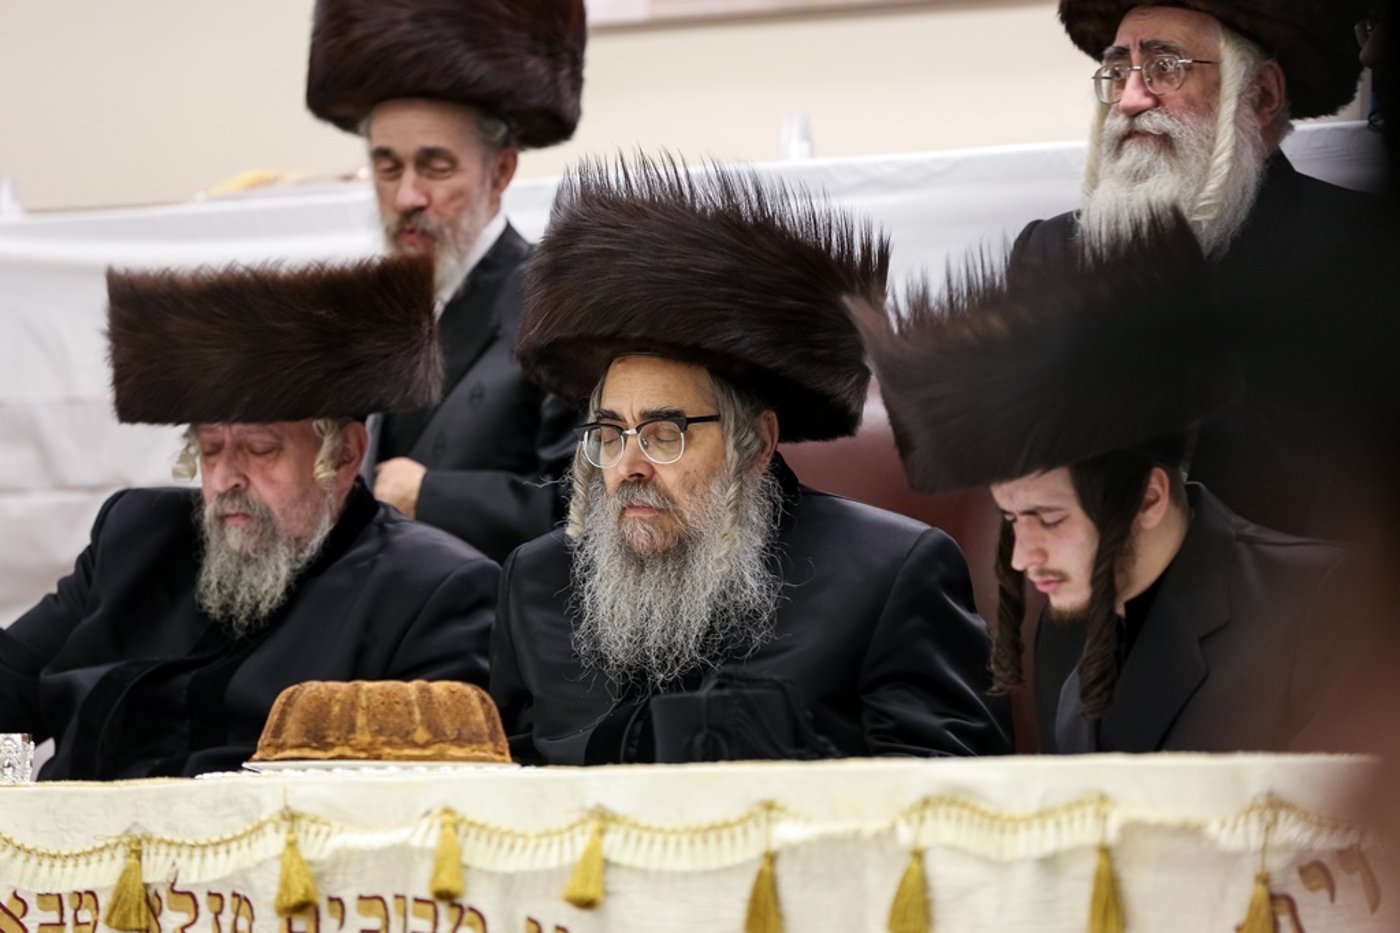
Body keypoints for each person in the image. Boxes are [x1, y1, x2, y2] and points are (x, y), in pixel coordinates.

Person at [490, 155, 1012, 766]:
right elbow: (499, 785)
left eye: (663, 434)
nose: (629, 464)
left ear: (757, 443)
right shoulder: (537, 580)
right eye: (610, 433)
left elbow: (950, 795)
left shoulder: (890, 575)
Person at [858, 214, 1361, 753]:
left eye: (1049, 518)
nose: (1023, 557)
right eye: (1012, 519)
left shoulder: (1328, 605)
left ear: (1148, 498)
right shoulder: (1064, 622)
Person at [0, 257, 499, 780]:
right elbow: (10, 688)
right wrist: (14, 797)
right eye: (210, 449)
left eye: (260, 450)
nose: (225, 479)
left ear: (344, 455)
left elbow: (405, 795)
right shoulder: (135, 535)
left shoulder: (432, 592)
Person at [1013, 0, 1381, 540]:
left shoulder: (1362, 250)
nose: (1130, 99)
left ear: (1261, 95)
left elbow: (1347, 482)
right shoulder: (1051, 253)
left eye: (1165, 68)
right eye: (1118, 71)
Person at [305, 0, 587, 562]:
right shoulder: (369, 311)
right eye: (387, 167)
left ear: (501, 171)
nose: (407, 196)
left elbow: (586, 512)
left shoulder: (558, 305)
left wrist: (430, 495)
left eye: (435, 167)